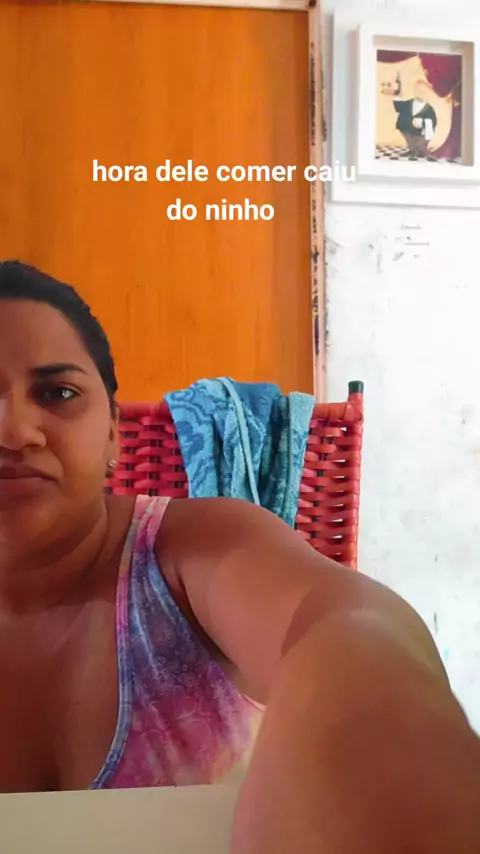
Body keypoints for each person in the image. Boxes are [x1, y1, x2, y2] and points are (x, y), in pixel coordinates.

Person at [0, 259, 479, 852]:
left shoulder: (188, 552)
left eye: (58, 393)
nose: (15, 431)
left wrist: (370, 708)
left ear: (113, 432)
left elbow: (342, 620)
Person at [382, 74, 437, 159]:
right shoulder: (409, 103)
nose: (420, 93)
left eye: (423, 91)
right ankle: (412, 149)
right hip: (408, 131)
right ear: (414, 91)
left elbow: (433, 122)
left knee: (420, 147)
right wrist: (397, 94)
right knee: (411, 144)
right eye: (418, 90)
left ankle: (420, 150)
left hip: (420, 134)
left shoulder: (429, 109)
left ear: (427, 93)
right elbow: (398, 107)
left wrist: (422, 123)